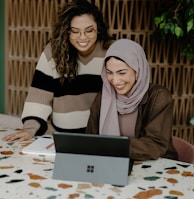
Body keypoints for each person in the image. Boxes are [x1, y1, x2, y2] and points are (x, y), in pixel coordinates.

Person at [3, 0, 113, 142]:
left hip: (102, 138)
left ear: (98, 28)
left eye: (89, 30)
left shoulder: (111, 51)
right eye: (75, 31)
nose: (83, 37)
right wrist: (30, 129)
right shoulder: (53, 52)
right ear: (66, 31)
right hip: (61, 138)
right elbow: (39, 96)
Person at [86, 39, 178, 161]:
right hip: (114, 163)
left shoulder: (159, 97)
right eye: (109, 72)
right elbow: (90, 138)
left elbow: (155, 144)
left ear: (138, 70)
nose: (115, 80)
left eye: (122, 73)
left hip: (156, 165)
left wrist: (112, 146)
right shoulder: (104, 96)